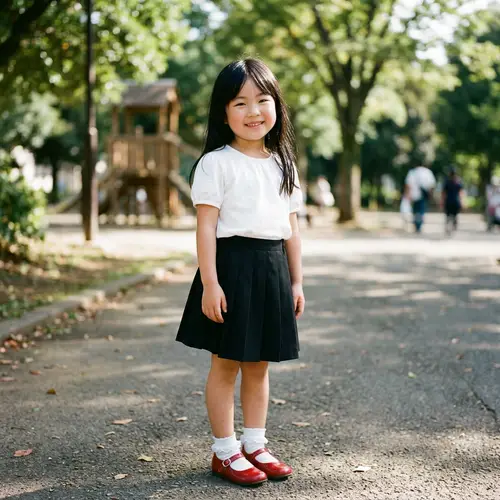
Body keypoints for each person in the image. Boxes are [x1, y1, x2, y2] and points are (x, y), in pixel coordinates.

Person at [175, 58, 305, 487]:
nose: (253, 112)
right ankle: (225, 450)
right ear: (223, 112)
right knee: (227, 362)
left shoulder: (283, 164)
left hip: (270, 269)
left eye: (262, 100)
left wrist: (296, 280)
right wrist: (210, 283)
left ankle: (255, 443)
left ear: (276, 106)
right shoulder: (216, 163)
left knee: (259, 364)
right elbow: (207, 226)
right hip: (231, 269)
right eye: (240, 103)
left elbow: (291, 229)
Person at [403, 165, 436, 233]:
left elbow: (408, 185)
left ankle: (417, 224)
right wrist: (430, 195)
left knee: (415, 211)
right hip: (423, 196)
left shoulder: (412, 172)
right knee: (421, 211)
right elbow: (431, 185)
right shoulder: (427, 172)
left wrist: (407, 195)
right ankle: (419, 225)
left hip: (414, 195)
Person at [441, 167, 464, 234]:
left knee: (448, 216)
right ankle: (453, 225)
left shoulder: (447, 182)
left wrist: (442, 202)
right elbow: (461, 193)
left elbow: (443, 193)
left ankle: (448, 226)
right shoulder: (458, 182)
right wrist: (462, 201)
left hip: (448, 201)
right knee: (455, 215)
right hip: (455, 201)